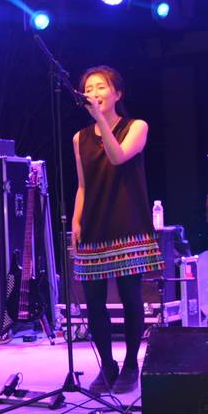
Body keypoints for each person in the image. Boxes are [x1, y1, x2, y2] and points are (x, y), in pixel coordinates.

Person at [71, 65, 164, 395]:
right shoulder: (79, 138)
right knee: (93, 301)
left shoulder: (136, 126)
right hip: (94, 222)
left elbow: (118, 157)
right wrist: (76, 220)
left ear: (117, 93)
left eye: (101, 87)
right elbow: (83, 185)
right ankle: (107, 365)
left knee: (129, 296)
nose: (94, 93)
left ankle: (130, 365)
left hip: (128, 222)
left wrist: (100, 120)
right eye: (88, 88)